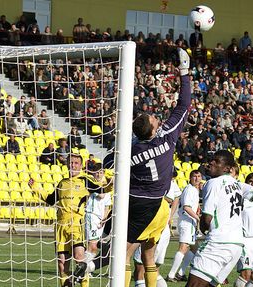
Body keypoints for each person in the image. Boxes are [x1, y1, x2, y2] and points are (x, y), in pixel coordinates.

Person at [78, 48, 192, 287]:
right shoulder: (166, 138)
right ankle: (94, 265)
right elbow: (183, 105)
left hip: (132, 202)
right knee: (136, 256)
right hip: (154, 205)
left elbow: (108, 163)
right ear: (152, 129)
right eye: (153, 119)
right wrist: (184, 72)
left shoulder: (127, 152)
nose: (156, 118)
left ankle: (92, 263)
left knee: (134, 254)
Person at [186, 150, 253, 287]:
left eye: (216, 161)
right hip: (236, 247)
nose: (211, 162)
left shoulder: (213, 183)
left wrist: (203, 227)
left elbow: (207, 218)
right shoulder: (237, 185)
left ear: (227, 168)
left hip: (218, 243)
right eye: (212, 159)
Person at [29, 153, 103, 286]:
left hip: (76, 224)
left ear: (80, 166)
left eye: (76, 163)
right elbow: (51, 200)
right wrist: (35, 188)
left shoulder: (85, 181)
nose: (73, 165)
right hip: (60, 225)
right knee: (62, 264)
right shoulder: (62, 183)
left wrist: (108, 179)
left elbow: (102, 189)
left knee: (80, 259)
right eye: (71, 162)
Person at [133, 171, 182, 287]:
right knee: (144, 264)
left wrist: (170, 215)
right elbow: (171, 198)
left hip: (158, 224)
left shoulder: (169, 183)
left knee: (150, 264)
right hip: (153, 223)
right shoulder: (161, 181)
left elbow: (173, 198)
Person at [166, 170, 203, 282]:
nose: (197, 178)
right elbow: (186, 207)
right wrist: (197, 217)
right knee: (183, 248)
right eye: (194, 176)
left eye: (199, 176)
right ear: (190, 178)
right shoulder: (189, 189)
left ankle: (181, 273)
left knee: (195, 249)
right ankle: (171, 275)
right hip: (186, 222)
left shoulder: (194, 190)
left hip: (190, 223)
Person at [84, 163, 113, 264]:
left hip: (100, 220)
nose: (99, 175)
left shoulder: (107, 187)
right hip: (91, 216)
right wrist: (110, 185)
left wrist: (104, 219)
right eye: (97, 173)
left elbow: (107, 206)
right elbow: (101, 196)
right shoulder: (92, 184)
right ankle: (84, 268)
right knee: (92, 246)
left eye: (101, 172)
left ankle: (85, 268)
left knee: (94, 246)